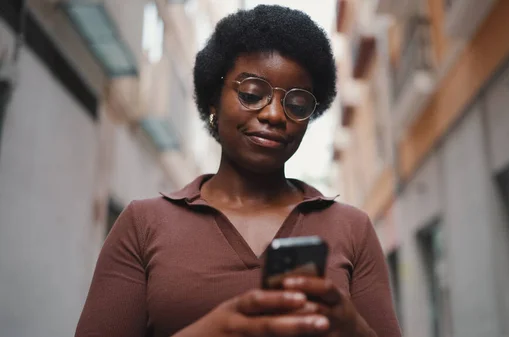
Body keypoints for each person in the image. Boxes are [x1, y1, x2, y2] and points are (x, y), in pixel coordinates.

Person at [75, 5, 402, 337]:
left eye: (297, 104)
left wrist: (353, 329)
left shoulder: (352, 229)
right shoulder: (143, 225)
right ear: (214, 100)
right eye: (251, 94)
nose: (275, 114)